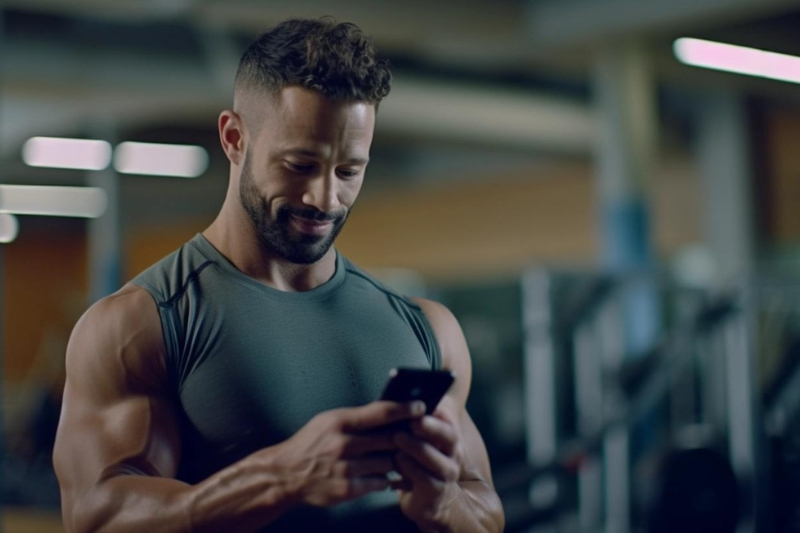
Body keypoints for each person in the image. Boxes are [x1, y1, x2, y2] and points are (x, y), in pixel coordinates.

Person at [53, 17, 505, 533]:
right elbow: (97, 519)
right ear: (234, 138)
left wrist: (443, 504)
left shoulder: (428, 329)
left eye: (349, 171)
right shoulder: (142, 323)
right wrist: (280, 479)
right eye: (299, 165)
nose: (325, 198)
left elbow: (487, 511)